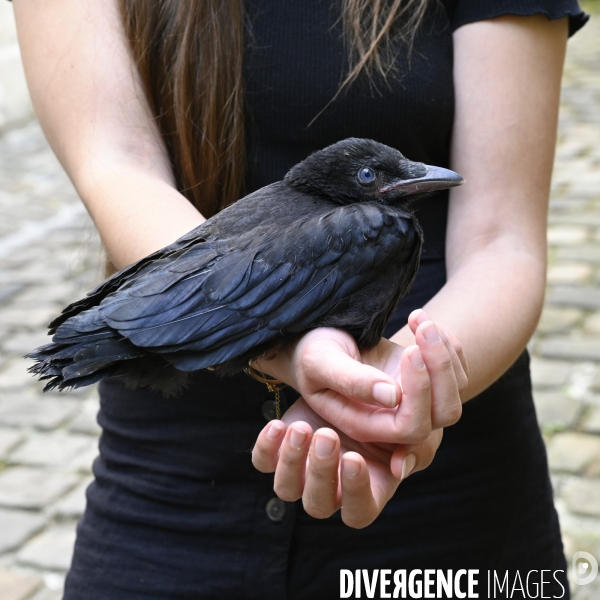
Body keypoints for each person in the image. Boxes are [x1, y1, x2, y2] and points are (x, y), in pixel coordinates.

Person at [11, 0, 587, 598]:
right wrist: (311, 363)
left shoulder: (376, 223)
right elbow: (116, 163)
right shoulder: (366, 224)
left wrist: (403, 382)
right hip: (170, 496)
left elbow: (503, 241)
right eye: (375, 178)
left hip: (456, 499)